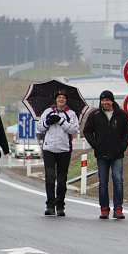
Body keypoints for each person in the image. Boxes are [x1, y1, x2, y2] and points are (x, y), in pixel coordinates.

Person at [83, 90, 128, 219]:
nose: (105, 102)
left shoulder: (121, 115)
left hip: (117, 154)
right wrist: (95, 144)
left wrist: (122, 146)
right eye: (102, 100)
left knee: (118, 181)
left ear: (112, 101)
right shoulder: (95, 115)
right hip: (101, 154)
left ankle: (118, 209)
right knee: (103, 182)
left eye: (107, 100)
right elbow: (87, 131)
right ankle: (104, 208)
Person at [36, 89, 79, 217]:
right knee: (50, 177)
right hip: (48, 149)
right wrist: (48, 122)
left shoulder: (71, 114)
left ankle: (60, 206)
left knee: (61, 179)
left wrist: (61, 121)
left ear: (66, 100)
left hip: (64, 149)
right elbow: (39, 127)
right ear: (56, 99)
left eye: (63, 98)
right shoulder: (48, 112)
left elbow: (74, 130)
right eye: (59, 97)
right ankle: (50, 205)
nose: (61, 100)